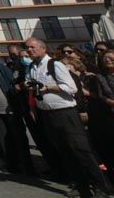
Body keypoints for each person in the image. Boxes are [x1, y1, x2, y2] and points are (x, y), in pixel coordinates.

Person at [25, 36, 110, 198]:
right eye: (27, 48)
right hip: (47, 114)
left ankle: (100, 187)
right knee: (65, 152)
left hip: (65, 113)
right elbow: (30, 85)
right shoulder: (31, 68)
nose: (29, 50)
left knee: (82, 151)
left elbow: (70, 88)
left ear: (43, 48)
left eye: (32, 47)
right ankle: (81, 185)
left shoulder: (55, 64)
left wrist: (48, 88)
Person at [91, 50, 114, 178]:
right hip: (110, 113)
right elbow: (101, 95)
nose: (107, 60)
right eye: (105, 58)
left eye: (110, 58)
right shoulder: (100, 77)